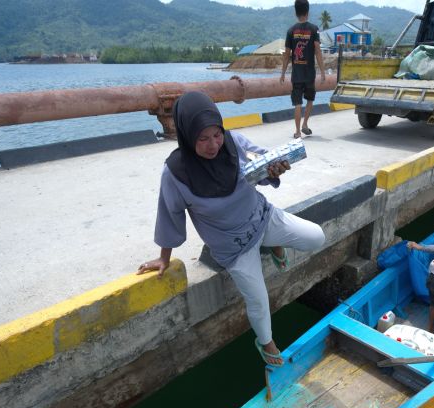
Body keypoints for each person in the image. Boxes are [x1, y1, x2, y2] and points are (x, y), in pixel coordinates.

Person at [137, 92, 325, 367]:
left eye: (216, 135)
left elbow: (261, 161)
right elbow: (169, 214)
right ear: (187, 136)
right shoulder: (176, 173)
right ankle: (267, 346)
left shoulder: (233, 142)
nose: (213, 145)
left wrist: (274, 170)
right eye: (202, 138)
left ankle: (271, 242)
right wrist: (164, 257)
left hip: (263, 217)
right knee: (259, 302)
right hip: (235, 248)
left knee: (315, 237)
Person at [280, 0, 326, 139]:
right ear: (307, 11)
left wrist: (282, 73)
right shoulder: (314, 29)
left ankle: (298, 132)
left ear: (296, 12)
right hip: (310, 74)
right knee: (310, 100)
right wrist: (323, 72)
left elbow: (287, 54)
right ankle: (305, 124)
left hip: (297, 75)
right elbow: (318, 51)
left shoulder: (291, 31)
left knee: (297, 103)